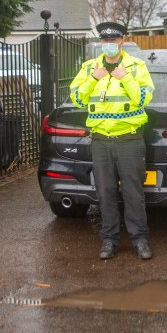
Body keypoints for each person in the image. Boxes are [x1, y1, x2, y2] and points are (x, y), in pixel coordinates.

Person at [69, 21, 155, 260]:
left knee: (133, 192)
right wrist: (93, 79)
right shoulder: (89, 68)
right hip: (101, 141)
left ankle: (140, 240)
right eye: (105, 41)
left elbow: (143, 98)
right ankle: (109, 240)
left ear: (122, 41)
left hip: (129, 140)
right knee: (105, 192)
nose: (109, 45)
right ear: (101, 43)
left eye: (113, 40)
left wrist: (125, 78)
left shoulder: (137, 67)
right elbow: (76, 98)